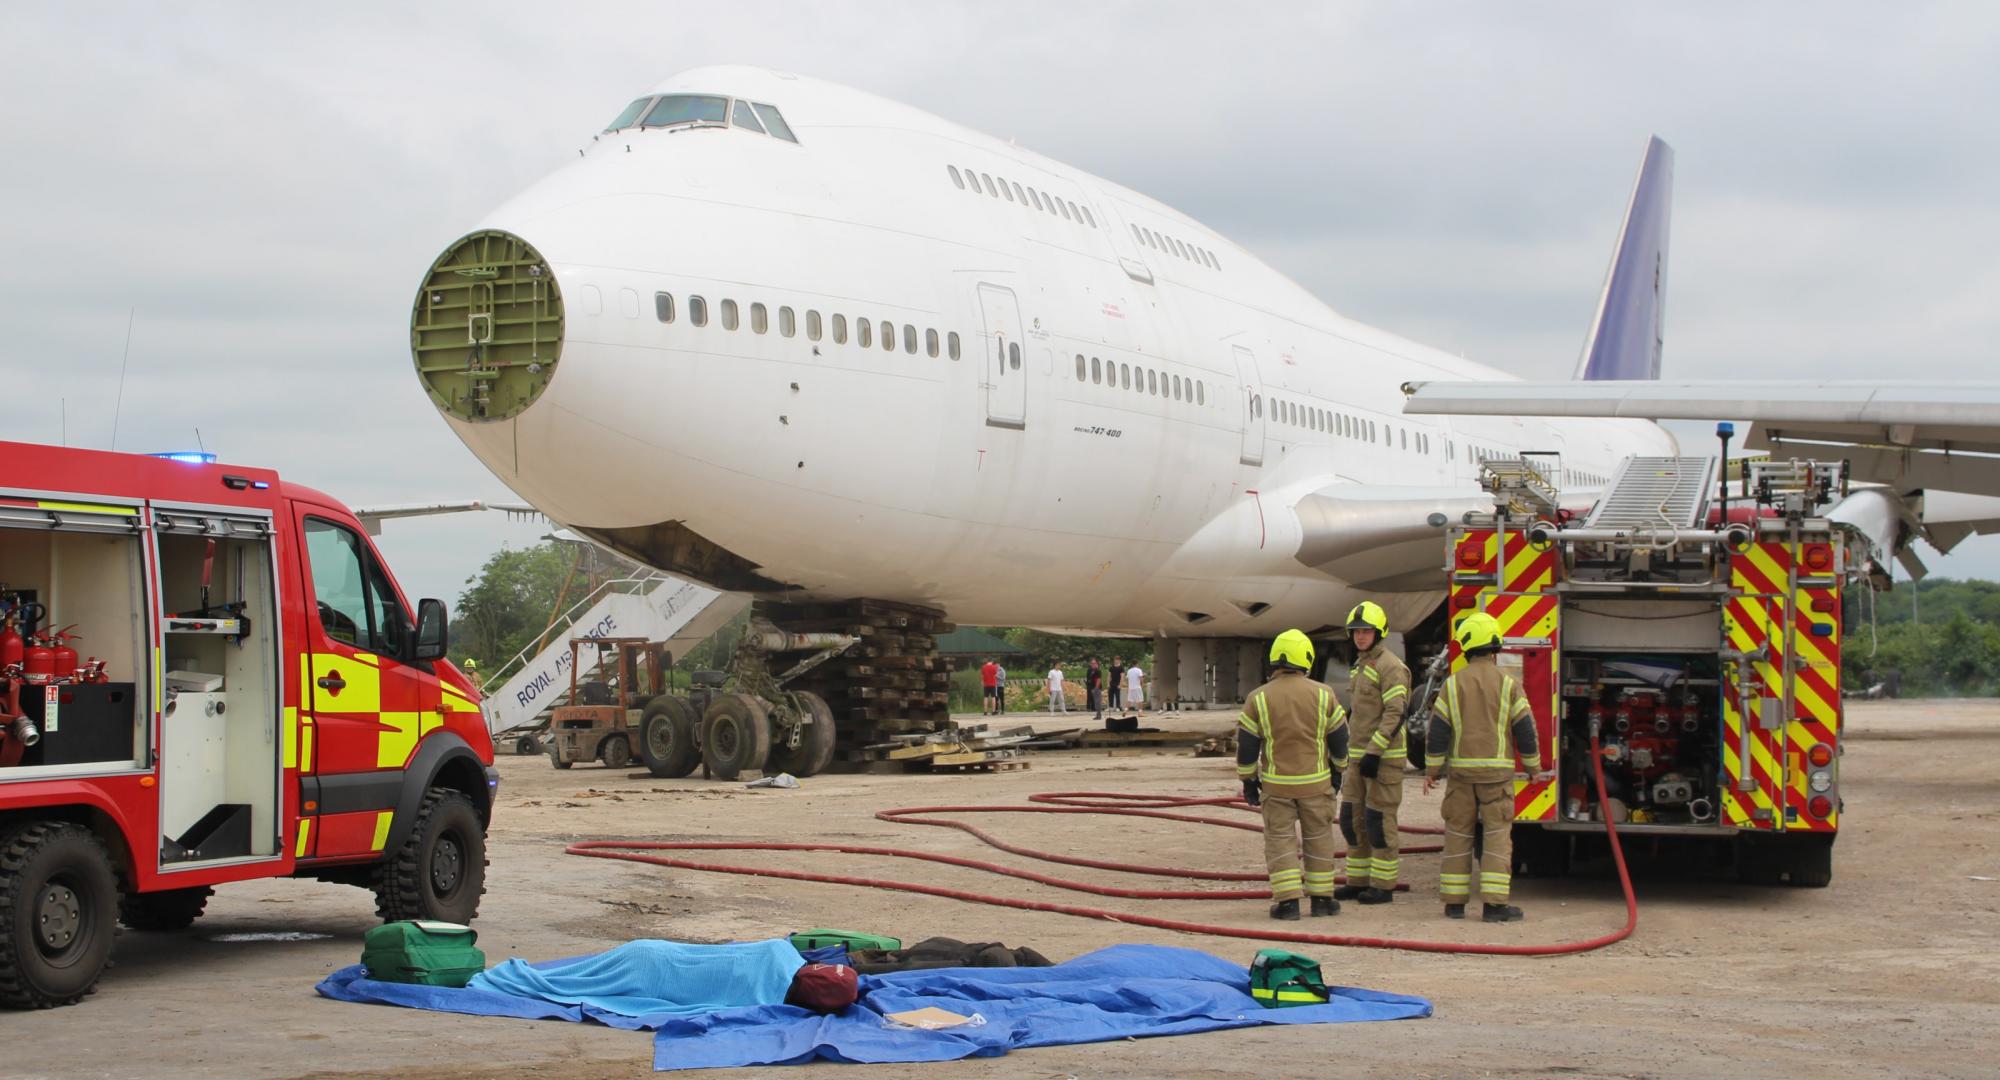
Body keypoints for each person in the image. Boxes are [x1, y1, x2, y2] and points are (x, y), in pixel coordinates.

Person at [1423, 612, 1539, 923]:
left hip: (1461, 775)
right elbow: (1525, 729)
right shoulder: (1508, 684)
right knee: (1497, 836)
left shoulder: (1452, 684)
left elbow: (1438, 732)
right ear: (1495, 647)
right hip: (1496, 777)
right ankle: (1494, 906)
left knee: (1458, 834)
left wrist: (1432, 771)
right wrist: (1532, 766)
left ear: (1466, 647)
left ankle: (1454, 904)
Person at [1236, 629, 1348, 920]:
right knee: (1320, 838)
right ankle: (1323, 900)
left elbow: (1247, 746)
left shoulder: (1257, 698)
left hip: (1277, 787)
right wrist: (1339, 770)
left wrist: (1248, 780)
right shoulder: (1324, 695)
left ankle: (1288, 904)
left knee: (1280, 841)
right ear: (1306, 658)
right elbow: (1339, 738)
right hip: (1317, 783)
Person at [1334, 600, 1411, 906]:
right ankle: (1358, 881)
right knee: (1352, 821)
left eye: (1366, 632)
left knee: (1379, 823)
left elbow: (1396, 712)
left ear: (1379, 633)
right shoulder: (1362, 665)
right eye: (1356, 632)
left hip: (1382, 761)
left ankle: (1383, 886)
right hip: (1357, 757)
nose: (1360, 637)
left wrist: (1375, 752)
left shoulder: (1391, 666)